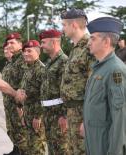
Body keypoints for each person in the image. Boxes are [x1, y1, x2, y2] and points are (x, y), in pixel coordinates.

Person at [84, 17, 126, 155]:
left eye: (93, 38)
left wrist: (115, 152)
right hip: (95, 142)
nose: (88, 43)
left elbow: (120, 118)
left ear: (106, 41)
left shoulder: (115, 70)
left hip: (106, 146)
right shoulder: (99, 68)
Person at [60, 8, 95, 154]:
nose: (62, 29)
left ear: (74, 24)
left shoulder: (89, 47)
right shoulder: (75, 49)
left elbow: (94, 86)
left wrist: (86, 120)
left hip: (83, 113)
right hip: (72, 112)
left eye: (64, 25)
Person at [39, 29, 68, 155]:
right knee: (52, 149)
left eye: (43, 42)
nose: (41, 45)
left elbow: (67, 91)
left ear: (53, 42)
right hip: (49, 114)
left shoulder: (64, 61)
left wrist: (65, 115)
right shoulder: (50, 62)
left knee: (62, 149)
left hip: (59, 115)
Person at [18, 40, 46, 155]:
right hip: (28, 114)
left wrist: (38, 116)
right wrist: (23, 113)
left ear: (38, 52)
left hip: (36, 116)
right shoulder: (28, 69)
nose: (25, 53)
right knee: (30, 147)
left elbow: (43, 95)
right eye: (24, 51)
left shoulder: (42, 70)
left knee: (37, 148)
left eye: (29, 51)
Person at [2, 32, 28, 155]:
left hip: (19, 106)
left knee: (22, 136)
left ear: (20, 44)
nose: (9, 45)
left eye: (12, 43)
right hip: (10, 105)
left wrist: (21, 107)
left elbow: (25, 85)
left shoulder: (23, 59)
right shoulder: (12, 61)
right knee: (13, 132)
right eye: (8, 43)